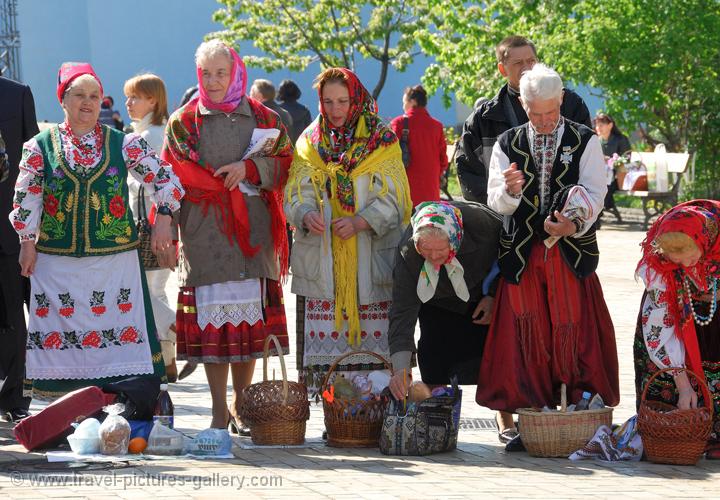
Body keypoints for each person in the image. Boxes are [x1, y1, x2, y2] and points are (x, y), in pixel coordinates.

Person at [9, 62, 183, 400]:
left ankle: (117, 404)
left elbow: (168, 181)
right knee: (63, 340)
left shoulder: (124, 143)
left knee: (114, 345)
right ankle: (63, 408)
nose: (87, 103)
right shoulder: (40, 146)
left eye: (95, 96)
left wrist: (163, 215)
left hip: (113, 265)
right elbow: (27, 197)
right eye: (79, 95)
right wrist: (26, 243)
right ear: (64, 100)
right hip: (56, 265)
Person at [475, 64, 620, 447]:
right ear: (523, 105)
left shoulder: (585, 139)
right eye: (535, 113)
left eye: (551, 112)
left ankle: (582, 411)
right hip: (522, 254)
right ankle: (531, 419)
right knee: (526, 330)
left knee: (573, 327)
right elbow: (497, 203)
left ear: (561, 102)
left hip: (569, 252)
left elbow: (594, 192)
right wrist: (508, 190)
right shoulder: (507, 142)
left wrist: (571, 225)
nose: (543, 121)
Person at [162, 40, 293, 432]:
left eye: (221, 72)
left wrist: (250, 170)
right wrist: (164, 222)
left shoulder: (264, 117)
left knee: (248, 327)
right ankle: (219, 410)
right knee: (212, 329)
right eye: (206, 73)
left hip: (253, 234)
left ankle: (242, 402)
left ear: (236, 72)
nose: (214, 80)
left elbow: (287, 163)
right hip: (205, 233)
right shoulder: (183, 122)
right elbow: (170, 177)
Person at [285, 67, 412, 396]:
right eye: (328, 101)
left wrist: (361, 221)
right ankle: (338, 417)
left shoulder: (382, 141)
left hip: (371, 263)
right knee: (330, 354)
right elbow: (296, 191)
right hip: (324, 263)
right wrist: (306, 213)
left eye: (342, 101)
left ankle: (373, 415)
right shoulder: (309, 142)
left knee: (373, 349)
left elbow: (396, 196)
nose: (335, 109)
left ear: (356, 99)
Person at [456, 35, 592, 204]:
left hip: (565, 217)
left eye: (531, 61)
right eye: (518, 63)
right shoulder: (482, 120)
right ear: (502, 69)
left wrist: (573, 213)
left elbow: (590, 166)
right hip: (504, 222)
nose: (527, 68)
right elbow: (469, 174)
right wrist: (502, 207)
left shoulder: (571, 105)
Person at [387, 201, 501, 402]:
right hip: (435, 299)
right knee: (434, 360)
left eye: (440, 251)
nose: (432, 257)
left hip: (480, 293)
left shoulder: (481, 226)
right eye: (426, 250)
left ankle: (505, 419)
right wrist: (401, 370)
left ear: (455, 239)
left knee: (497, 364)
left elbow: (510, 257)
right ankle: (436, 416)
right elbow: (402, 311)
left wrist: (493, 295)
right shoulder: (409, 252)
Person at [634, 199, 720, 460]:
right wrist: (682, 384)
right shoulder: (660, 267)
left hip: (713, 321)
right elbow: (660, 328)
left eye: (692, 256)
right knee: (668, 386)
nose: (686, 264)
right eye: (678, 260)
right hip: (674, 321)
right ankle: (673, 434)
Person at [124, 73, 178, 382]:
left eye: (136, 97)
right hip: (157, 224)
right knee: (156, 290)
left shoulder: (150, 136)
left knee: (144, 292)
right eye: (129, 97)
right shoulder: (156, 131)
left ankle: (180, 327)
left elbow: (152, 184)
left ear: (153, 101)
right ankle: (167, 359)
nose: (129, 103)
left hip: (149, 224)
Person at [0, 75, 39, 422]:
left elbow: (33, 166)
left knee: (15, 316)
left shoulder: (17, 94)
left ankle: (15, 399)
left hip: (9, 231)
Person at [390, 85, 448, 207]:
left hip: (406, 191)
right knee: (430, 222)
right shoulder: (437, 126)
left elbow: (390, 155)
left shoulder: (399, 123)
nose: (403, 106)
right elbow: (443, 160)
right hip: (431, 191)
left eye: (404, 102)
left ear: (413, 101)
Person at [594, 112, 632, 211]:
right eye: (597, 125)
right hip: (600, 176)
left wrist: (611, 161)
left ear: (610, 125)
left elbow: (627, 159)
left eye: (601, 125)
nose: (598, 127)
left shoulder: (621, 139)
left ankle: (602, 209)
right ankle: (601, 209)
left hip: (618, 178)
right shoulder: (597, 141)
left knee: (603, 186)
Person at [277, 79, 313, 145]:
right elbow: (310, 133)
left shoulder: (277, 111)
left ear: (280, 92)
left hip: (282, 150)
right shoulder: (304, 110)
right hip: (300, 148)